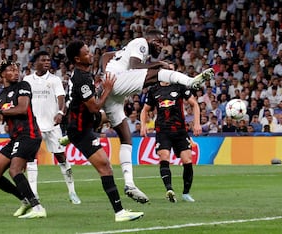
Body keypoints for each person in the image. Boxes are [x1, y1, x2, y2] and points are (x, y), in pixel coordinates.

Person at [85, 29, 213, 203]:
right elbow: (136, 66)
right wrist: (159, 63)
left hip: (113, 87)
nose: (160, 46)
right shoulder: (141, 43)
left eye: (162, 44)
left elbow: (106, 55)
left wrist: (102, 72)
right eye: (159, 41)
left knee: (125, 137)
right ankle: (190, 81)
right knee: (158, 73)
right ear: (150, 38)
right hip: (117, 80)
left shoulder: (126, 49)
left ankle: (129, 183)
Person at [65, 40, 144, 222]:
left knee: (115, 116)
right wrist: (107, 89)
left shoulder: (84, 74)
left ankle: (66, 138)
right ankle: (119, 212)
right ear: (77, 58)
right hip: (81, 130)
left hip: (85, 122)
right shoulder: (82, 79)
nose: (90, 54)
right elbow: (94, 107)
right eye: (86, 53)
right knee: (105, 167)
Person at [0, 60, 46, 219]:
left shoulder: (23, 86)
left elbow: (22, 109)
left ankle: (37, 207)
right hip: (15, 138)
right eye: (11, 70)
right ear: (3, 74)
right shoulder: (1, 96)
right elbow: (6, 114)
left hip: (29, 134)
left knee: (14, 170)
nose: (16, 72)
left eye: (16, 69)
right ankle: (24, 199)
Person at [23, 51, 81, 205]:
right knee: (31, 158)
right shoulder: (27, 80)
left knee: (61, 157)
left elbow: (61, 98)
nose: (47, 62)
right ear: (35, 63)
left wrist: (61, 112)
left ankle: (72, 191)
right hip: (34, 126)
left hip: (52, 124)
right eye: (43, 60)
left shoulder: (55, 80)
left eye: (49, 60)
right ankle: (34, 194)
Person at [140, 81, 201, 203]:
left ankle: (186, 193)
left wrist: (197, 123)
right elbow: (144, 110)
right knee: (164, 157)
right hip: (163, 131)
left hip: (180, 130)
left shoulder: (179, 86)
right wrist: (143, 125)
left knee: (187, 160)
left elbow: (194, 104)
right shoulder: (154, 90)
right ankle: (169, 190)